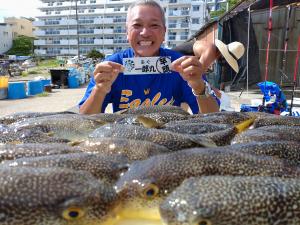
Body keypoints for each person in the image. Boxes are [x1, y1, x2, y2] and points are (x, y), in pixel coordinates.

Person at [79, 0, 240, 114]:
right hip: (127, 144)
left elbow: (212, 117)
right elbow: (85, 120)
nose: (145, 33)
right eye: (137, 25)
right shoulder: (111, 67)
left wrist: (199, 86)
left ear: (164, 32)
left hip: (169, 145)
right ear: (126, 33)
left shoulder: (179, 66)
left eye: (154, 25)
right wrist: (99, 90)